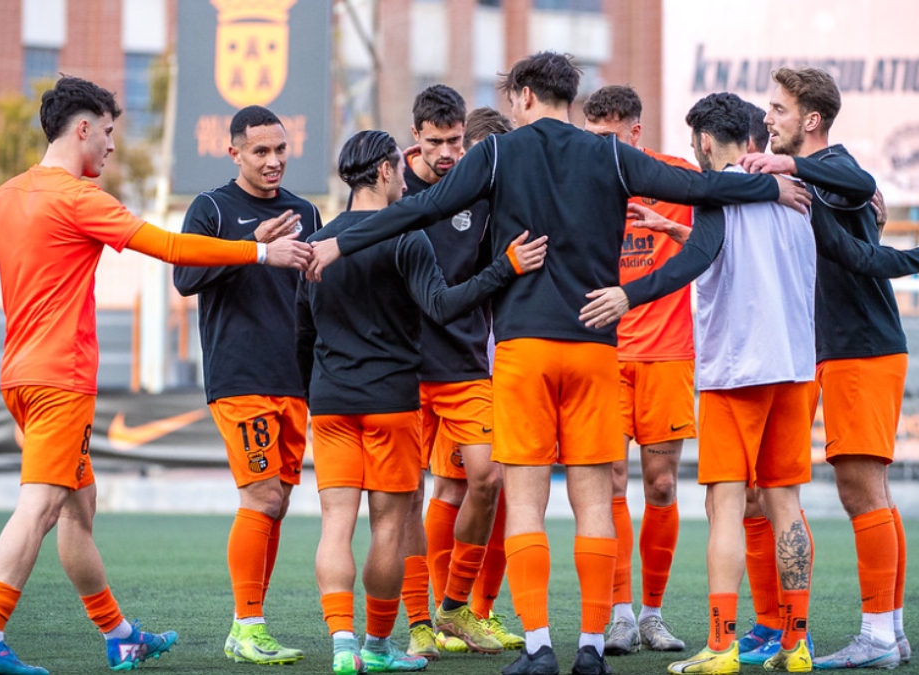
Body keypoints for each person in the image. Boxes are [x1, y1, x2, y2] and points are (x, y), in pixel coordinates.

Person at [306, 51, 811, 675]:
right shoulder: (609, 153)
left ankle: (541, 645)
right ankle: (593, 648)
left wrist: (333, 241)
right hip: (597, 346)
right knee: (596, 503)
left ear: (521, 96)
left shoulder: (495, 154)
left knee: (524, 503)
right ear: (570, 97)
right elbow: (698, 186)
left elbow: (416, 211)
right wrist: (769, 183)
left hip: (523, 352)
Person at [0, 76, 313, 675]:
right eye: (110, 132)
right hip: (61, 380)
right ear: (83, 129)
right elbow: (173, 249)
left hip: (19, 377)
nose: (113, 146)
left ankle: (120, 635)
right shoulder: (80, 199)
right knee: (41, 508)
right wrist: (257, 251)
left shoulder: (5, 196)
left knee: (78, 508)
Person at [582, 91, 820, 674]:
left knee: (725, 504)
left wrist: (628, 294)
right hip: (793, 369)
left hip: (735, 371)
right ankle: (798, 646)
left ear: (706, 143)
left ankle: (721, 644)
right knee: (786, 503)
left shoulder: (712, 192)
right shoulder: (800, 198)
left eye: (695, 142)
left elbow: (702, 257)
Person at [295, 130, 546, 675]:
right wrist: (506, 267)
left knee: (335, 525)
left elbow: (302, 331)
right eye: (399, 170)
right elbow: (443, 306)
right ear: (384, 172)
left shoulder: (319, 242)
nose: (406, 178)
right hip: (390, 401)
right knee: (388, 527)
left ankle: (342, 645)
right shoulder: (406, 237)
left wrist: (313, 393)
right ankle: (380, 647)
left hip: (331, 403)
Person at [740, 66, 919, 669]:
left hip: (863, 346)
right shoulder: (823, 185)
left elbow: (855, 185)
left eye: (778, 109)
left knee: (861, 489)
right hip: (832, 348)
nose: (767, 119)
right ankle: (888, 631)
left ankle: (879, 637)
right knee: (860, 491)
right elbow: (850, 247)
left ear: (810, 120)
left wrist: (789, 166)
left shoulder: (838, 171)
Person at [172, 105, 323, 665]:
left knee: (277, 502)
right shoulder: (211, 208)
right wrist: (254, 247)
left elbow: (315, 293)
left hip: (295, 378)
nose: (273, 160)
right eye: (260, 151)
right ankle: (247, 624)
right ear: (233, 152)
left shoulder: (306, 210)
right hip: (240, 377)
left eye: (280, 149)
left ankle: (250, 622)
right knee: (259, 494)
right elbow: (185, 278)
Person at [394, 86, 522, 659]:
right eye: (437, 142)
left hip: (466, 361)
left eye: (456, 141)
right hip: (400, 363)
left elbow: (503, 265)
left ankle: (455, 608)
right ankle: (419, 620)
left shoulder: (477, 188)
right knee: (401, 495)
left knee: (487, 478)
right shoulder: (392, 187)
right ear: (415, 136)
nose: (448, 153)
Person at [582, 84, 695, 656]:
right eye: (592, 137)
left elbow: (733, 199)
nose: (601, 149)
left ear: (634, 134)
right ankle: (620, 614)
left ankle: (653, 613)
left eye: (611, 138)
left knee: (662, 484)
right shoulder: (577, 185)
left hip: (668, 355)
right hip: (602, 355)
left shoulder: (674, 176)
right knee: (608, 484)